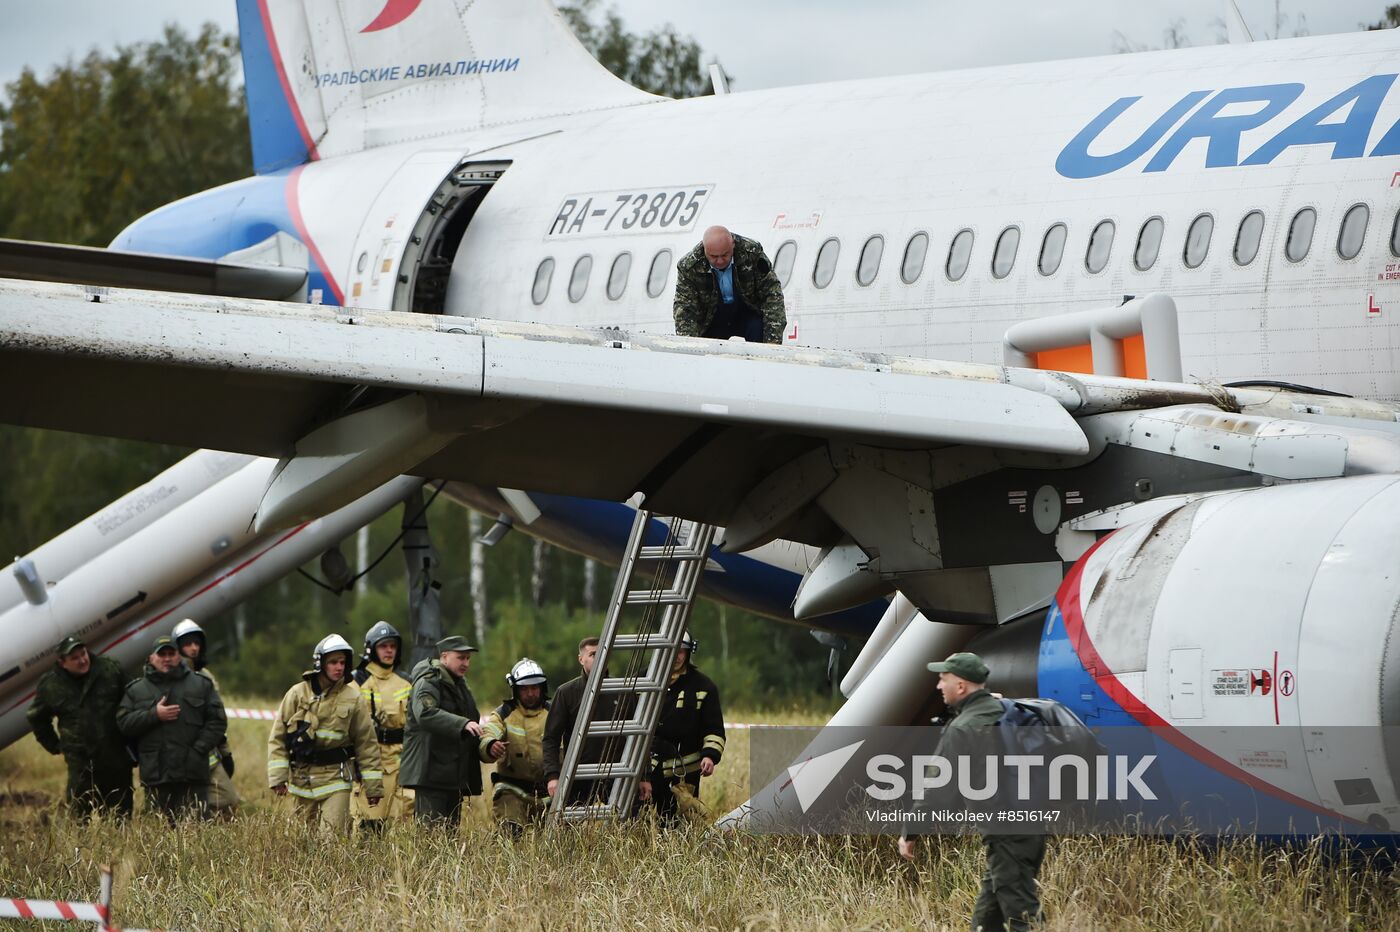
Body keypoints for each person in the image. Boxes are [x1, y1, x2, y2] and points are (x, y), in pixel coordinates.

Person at [897, 652, 1046, 932]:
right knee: (986, 921)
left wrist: (910, 832)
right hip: (1027, 829)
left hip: (1008, 835)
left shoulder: (964, 728)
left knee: (1022, 919)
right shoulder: (1004, 709)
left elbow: (937, 791)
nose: (939, 686)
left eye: (943, 680)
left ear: (961, 686)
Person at [266, 634, 383, 836]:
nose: (339, 667)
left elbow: (367, 743)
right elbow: (278, 736)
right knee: (301, 841)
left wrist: (373, 787)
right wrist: (278, 777)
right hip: (302, 779)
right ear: (320, 663)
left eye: (342, 663)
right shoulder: (297, 693)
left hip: (336, 779)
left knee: (333, 840)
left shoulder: (353, 698)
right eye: (333, 662)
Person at [116, 634, 227, 822]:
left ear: (179, 656)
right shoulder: (136, 690)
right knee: (159, 835)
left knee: (196, 832)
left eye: (171, 653)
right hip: (157, 776)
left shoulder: (200, 684)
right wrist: (154, 715)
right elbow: (123, 724)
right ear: (151, 658)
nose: (167, 658)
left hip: (193, 774)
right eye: (161, 654)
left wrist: (198, 750)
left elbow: (217, 722)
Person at [26, 636, 134, 819]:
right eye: (74, 658)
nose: (82, 660)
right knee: (79, 818)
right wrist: (55, 745)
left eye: (83, 653)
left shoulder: (110, 669)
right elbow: (37, 717)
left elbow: (133, 699)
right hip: (81, 765)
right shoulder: (51, 684)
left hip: (116, 759)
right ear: (62, 662)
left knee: (120, 817)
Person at [543, 637, 641, 808]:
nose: (599, 658)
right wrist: (553, 776)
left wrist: (644, 776)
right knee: (575, 829)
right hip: (578, 776)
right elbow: (551, 738)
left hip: (617, 775)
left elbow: (638, 736)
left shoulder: (624, 690)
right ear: (581, 659)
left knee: (623, 828)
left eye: (603, 653)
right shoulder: (566, 693)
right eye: (593, 654)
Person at [400, 635, 484, 828]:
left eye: (468, 658)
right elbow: (426, 713)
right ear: (445, 656)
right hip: (431, 774)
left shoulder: (459, 684)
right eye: (461, 658)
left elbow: (473, 718)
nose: (466, 663)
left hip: (452, 774)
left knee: (450, 840)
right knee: (431, 838)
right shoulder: (429, 681)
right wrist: (462, 724)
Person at [644, 631, 725, 824]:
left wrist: (709, 755)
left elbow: (714, 728)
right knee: (641, 821)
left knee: (679, 823)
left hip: (684, 772)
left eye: (682, 651)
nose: (677, 656)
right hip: (646, 769)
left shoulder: (704, 686)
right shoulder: (643, 680)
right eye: (673, 650)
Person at [349, 621, 415, 829]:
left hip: (404, 760)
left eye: (392, 646)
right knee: (370, 823)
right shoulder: (357, 681)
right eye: (383, 646)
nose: (389, 651)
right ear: (371, 649)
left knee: (407, 820)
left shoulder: (406, 681)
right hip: (372, 760)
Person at [172, 618, 240, 817]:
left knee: (228, 800)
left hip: (207, 753)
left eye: (197, 643)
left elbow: (217, 718)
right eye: (187, 643)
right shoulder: (169, 676)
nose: (193, 648)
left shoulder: (206, 677)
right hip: (179, 756)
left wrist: (225, 752)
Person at [673, 225, 787, 343]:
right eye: (714, 257)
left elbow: (771, 293)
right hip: (711, 319)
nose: (720, 261)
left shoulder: (751, 252)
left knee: (758, 329)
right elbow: (684, 310)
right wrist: (690, 347)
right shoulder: (689, 267)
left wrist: (772, 343)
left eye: (725, 255)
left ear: (733, 245)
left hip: (746, 313)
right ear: (704, 250)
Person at [479, 657, 551, 835]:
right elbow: (488, 733)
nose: (530, 693)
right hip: (512, 790)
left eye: (534, 688)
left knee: (559, 840)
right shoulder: (503, 714)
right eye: (524, 689)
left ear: (542, 688)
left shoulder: (555, 712)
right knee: (510, 833)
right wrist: (491, 746)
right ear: (515, 690)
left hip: (550, 792)